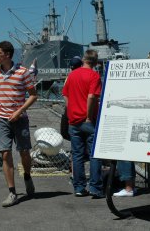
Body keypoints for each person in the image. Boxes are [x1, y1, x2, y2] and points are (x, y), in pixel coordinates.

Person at [0, 41, 38, 207]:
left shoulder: (23, 72)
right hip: (1, 118)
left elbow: (33, 95)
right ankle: (12, 192)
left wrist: (19, 111)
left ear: (7, 55)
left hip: (20, 118)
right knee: (5, 154)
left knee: (24, 152)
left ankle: (27, 175)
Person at [62, 50, 104, 198]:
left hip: (73, 121)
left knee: (77, 155)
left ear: (84, 59)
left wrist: (71, 112)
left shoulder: (72, 75)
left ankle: (79, 187)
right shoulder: (94, 76)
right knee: (94, 154)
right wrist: (88, 116)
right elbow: (92, 96)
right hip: (89, 121)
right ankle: (95, 188)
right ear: (96, 62)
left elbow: (65, 95)